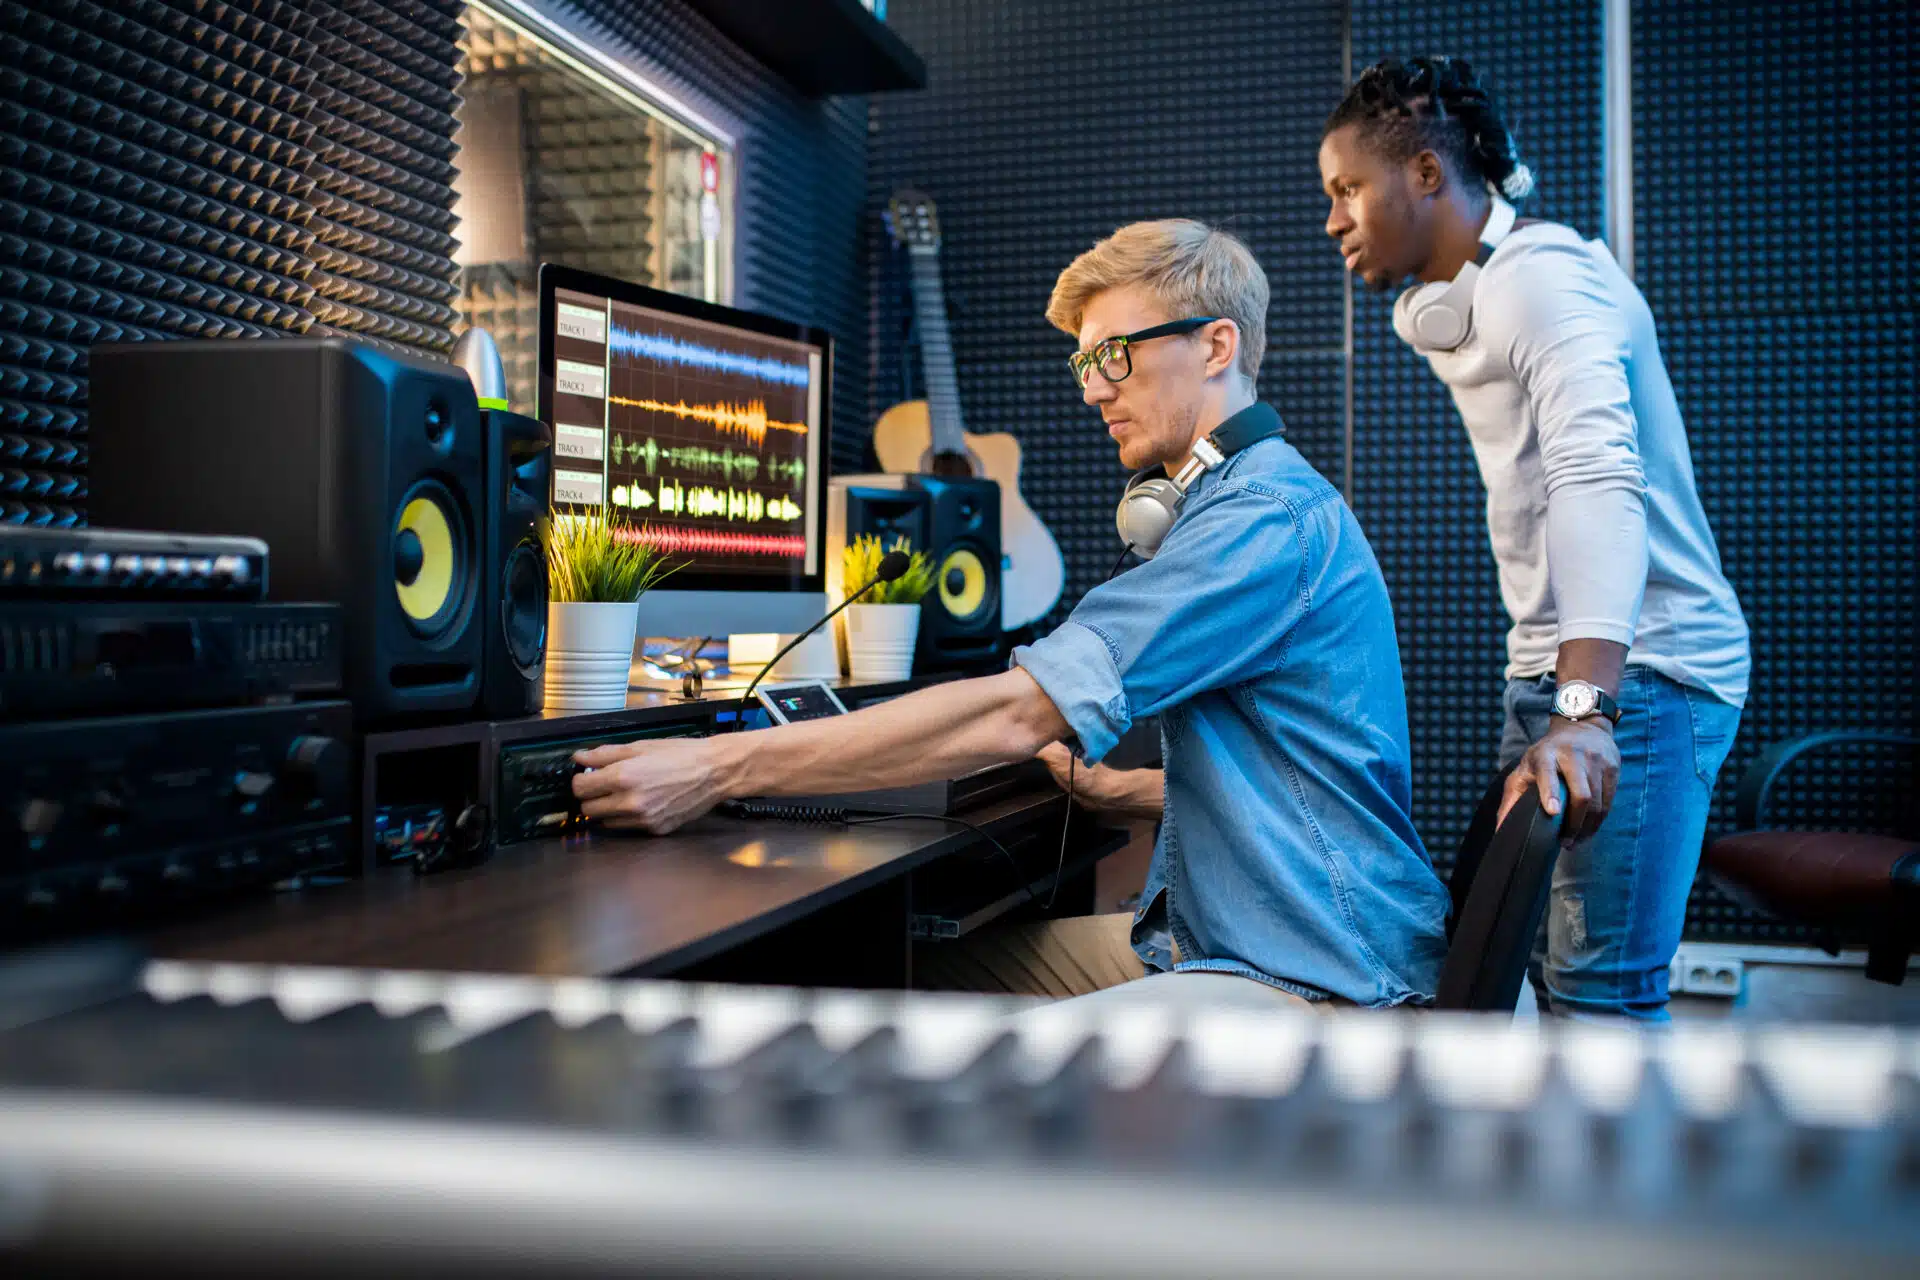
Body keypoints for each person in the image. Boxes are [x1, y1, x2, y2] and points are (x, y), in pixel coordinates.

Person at [571, 218, 1450, 1009]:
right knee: (906, 984)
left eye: (1113, 356)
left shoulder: (1258, 522)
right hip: (1241, 945)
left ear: (1216, 345)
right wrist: (1129, 790)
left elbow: (1019, 712)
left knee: (928, 1052)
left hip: (1318, 979)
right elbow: (1302, 775)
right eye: (1083, 363)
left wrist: (717, 768)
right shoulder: (1248, 503)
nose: (1091, 390)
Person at [1315, 56, 1750, 1021]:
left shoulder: (1540, 284)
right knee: (1545, 981)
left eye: (1348, 190)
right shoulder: (1470, 302)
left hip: (1644, 675)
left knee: (1598, 997)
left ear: (1426, 174)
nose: (1334, 219)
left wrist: (1588, 710)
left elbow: (1597, 479)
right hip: (1561, 676)